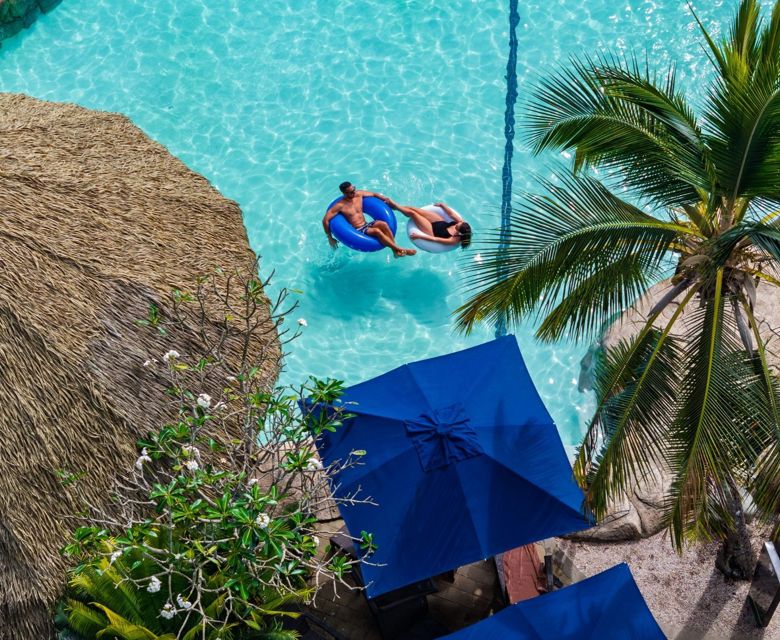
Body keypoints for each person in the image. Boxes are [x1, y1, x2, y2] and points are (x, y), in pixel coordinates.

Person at [322, 182, 416, 257]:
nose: (354, 192)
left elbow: (374, 194)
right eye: (351, 192)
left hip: (366, 224)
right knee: (377, 232)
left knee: (383, 224)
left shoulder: (358, 195)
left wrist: (384, 198)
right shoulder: (340, 206)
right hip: (358, 229)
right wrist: (330, 238)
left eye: (354, 189)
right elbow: (325, 220)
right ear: (344, 193)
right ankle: (399, 249)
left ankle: (395, 250)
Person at [387, 200, 472, 249]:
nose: (458, 222)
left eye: (458, 225)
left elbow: (436, 240)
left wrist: (420, 236)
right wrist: (443, 206)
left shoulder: (453, 241)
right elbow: (451, 215)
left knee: (413, 214)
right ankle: (395, 207)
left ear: (459, 232)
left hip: (432, 230)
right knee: (413, 209)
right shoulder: (462, 224)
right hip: (440, 222)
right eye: (460, 223)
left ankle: (395, 206)